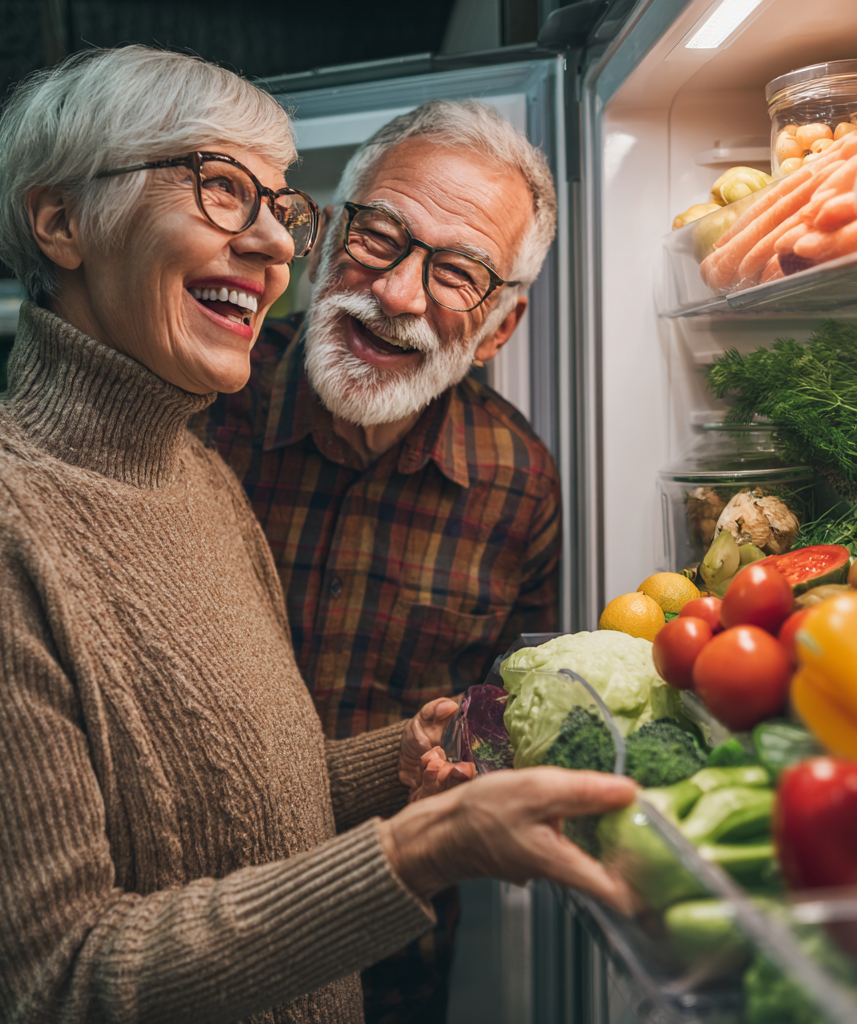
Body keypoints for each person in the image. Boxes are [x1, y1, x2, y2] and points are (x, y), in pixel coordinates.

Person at [0, 46, 636, 1024]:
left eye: (276, 206)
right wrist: (422, 848)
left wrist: (396, 761)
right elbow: (53, 981)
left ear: (499, 325)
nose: (275, 246)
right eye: (220, 189)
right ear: (60, 221)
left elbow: (233, 800)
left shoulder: (200, 472)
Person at [192, 100, 561, 1022]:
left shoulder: (518, 485)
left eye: (458, 273)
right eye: (381, 235)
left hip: (387, 959)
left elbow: (503, 709)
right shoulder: (194, 406)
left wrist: (477, 765)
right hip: (168, 933)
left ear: (501, 328)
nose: (395, 295)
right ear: (324, 238)